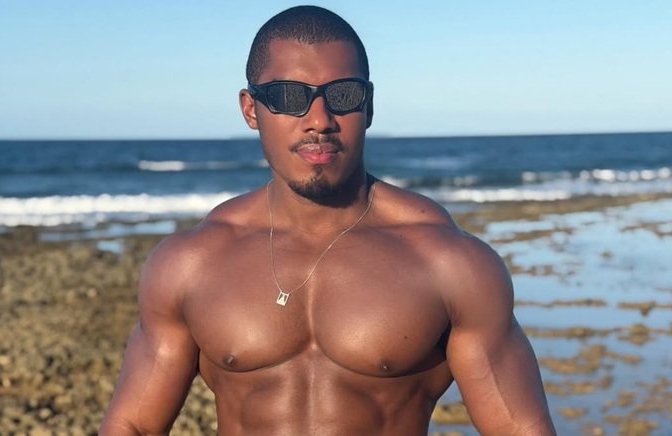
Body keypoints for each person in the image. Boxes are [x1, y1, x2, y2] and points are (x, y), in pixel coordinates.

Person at [100, 5, 555, 435]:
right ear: (250, 109)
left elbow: (518, 428)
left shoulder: (449, 263)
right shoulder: (191, 263)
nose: (319, 120)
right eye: (289, 97)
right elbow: (133, 425)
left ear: (368, 106)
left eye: (342, 95)